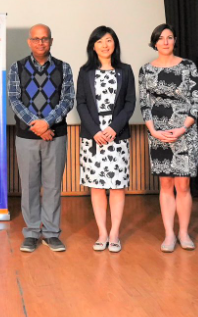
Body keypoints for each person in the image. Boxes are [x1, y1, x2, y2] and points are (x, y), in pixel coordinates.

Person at [7, 23, 75, 253]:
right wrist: (36, 126)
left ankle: (52, 233)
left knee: (53, 186)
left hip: (56, 134)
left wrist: (48, 122)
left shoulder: (64, 68)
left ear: (51, 41)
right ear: (29, 42)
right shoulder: (17, 68)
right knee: (29, 186)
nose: (40, 42)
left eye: (44, 38)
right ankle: (32, 232)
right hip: (27, 137)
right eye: (36, 39)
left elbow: (67, 100)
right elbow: (15, 100)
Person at [139, 24, 198, 253]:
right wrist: (154, 131)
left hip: (185, 132)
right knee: (165, 184)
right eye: (161, 38)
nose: (166, 41)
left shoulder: (188, 67)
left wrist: (183, 128)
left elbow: (197, 101)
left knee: (183, 185)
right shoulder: (145, 70)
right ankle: (169, 234)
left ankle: (184, 233)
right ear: (154, 42)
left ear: (175, 41)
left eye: (170, 37)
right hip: (158, 133)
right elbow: (144, 104)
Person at [76, 26, 136, 253]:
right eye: (100, 41)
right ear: (93, 46)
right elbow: (80, 102)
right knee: (97, 187)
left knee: (117, 186)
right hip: (93, 138)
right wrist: (95, 131)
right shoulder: (85, 72)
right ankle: (102, 232)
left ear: (114, 44)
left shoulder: (126, 70)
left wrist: (113, 128)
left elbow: (130, 102)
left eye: (108, 40)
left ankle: (114, 234)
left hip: (117, 137)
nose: (104, 45)